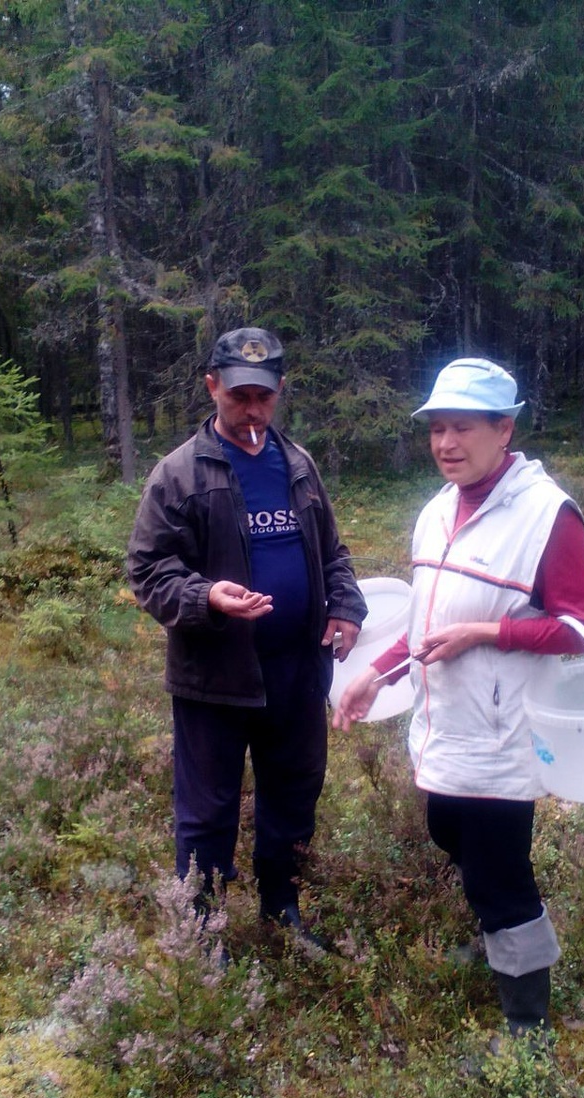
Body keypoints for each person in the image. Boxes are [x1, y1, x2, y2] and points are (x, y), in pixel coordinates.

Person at [333, 357, 584, 1035]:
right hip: (442, 720)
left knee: (497, 872)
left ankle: (527, 1020)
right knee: (445, 830)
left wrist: (490, 631)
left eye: (462, 429)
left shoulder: (547, 516)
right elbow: (426, 620)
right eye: (436, 430)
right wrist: (376, 673)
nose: (445, 444)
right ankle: (497, 938)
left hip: (503, 729)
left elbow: (581, 630)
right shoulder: (435, 512)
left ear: (503, 428)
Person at [128, 326, 367, 939]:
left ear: (280, 391)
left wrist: (345, 604)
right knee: (207, 811)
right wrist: (205, 595)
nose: (251, 408)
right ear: (212, 386)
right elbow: (148, 572)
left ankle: (280, 907)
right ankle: (202, 937)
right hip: (215, 677)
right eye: (238, 395)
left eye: (263, 395)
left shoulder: (299, 465)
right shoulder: (178, 474)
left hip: (295, 670)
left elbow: (332, 553)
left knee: (292, 793)